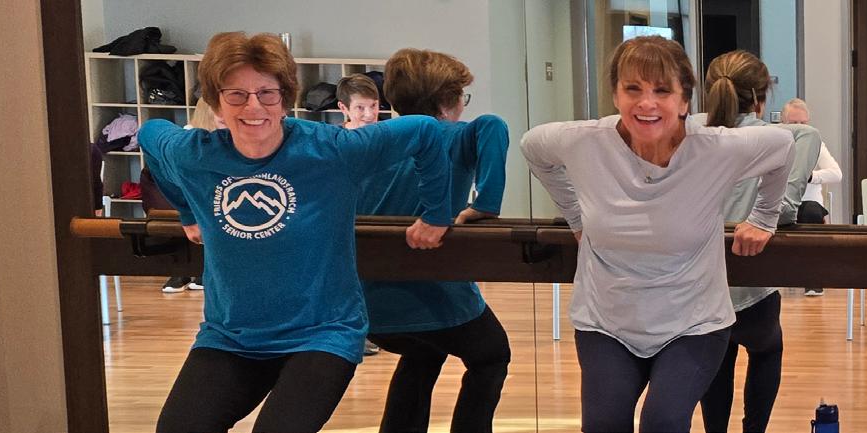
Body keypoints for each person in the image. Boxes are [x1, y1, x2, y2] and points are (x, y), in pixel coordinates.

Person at [141, 31, 456, 432]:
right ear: (216, 101)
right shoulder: (194, 155)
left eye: (267, 93)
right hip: (231, 335)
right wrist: (187, 210)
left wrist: (437, 214)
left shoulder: (333, 150)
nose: (253, 106)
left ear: (285, 98)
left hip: (321, 335)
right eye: (236, 94)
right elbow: (150, 135)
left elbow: (425, 131)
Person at [521, 36, 802, 433]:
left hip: (694, 323)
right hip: (606, 322)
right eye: (633, 89)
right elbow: (532, 148)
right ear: (615, 95)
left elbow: (784, 145)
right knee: (603, 425)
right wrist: (576, 217)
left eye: (662, 91)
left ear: (685, 101)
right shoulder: (585, 142)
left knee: (663, 422)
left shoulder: (715, 147)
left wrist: (764, 217)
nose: (646, 103)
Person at [354, 48, 514, 433]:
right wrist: (485, 205)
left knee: (424, 352)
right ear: (448, 101)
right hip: (432, 297)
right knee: (492, 354)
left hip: (366, 304)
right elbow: (493, 126)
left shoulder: (367, 140)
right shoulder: (454, 136)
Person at [692, 50, 827, 433]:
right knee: (767, 349)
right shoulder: (779, 137)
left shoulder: (691, 131)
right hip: (753, 284)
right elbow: (786, 206)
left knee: (718, 356)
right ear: (759, 99)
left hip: (699, 283)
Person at [781, 98, 842, 296]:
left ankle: (813, 279)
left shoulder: (817, 145)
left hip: (808, 205)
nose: (799, 127)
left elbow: (836, 174)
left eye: (803, 123)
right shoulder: (775, 144)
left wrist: (811, 177)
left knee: (811, 213)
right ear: (783, 123)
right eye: (794, 123)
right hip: (781, 203)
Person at [153, 102, 216, 293]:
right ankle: (183, 269)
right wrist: (187, 213)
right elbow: (150, 130)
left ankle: (203, 270)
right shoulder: (185, 143)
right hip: (192, 202)